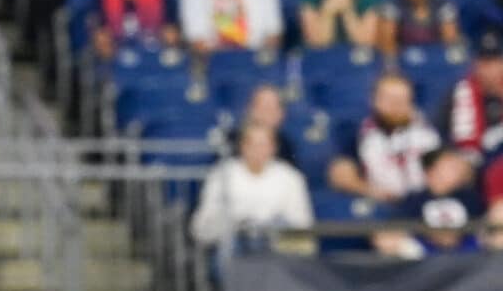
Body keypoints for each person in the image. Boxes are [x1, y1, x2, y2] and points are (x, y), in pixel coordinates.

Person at [188, 122, 312, 250]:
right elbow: (202, 226)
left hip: (275, 251)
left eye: (264, 145)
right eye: (252, 144)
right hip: (234, 249)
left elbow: (301, 224)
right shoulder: (222, 174)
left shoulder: (291, 178)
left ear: (273, 147)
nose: (258, 150)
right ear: (242, 146)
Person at [329, 74, 440, 202]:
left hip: (425, 203)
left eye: (402, 99)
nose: (396, 105)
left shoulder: (430, 130)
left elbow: (452, 167)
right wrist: (369, 190)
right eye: (390, 99)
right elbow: (339, 175)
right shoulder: (357, 132)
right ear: (374, 100)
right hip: (380, 207)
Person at [375, 146, 483, 257]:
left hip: (468, 253)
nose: (459, 170)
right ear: (431, 171)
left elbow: (481, 224)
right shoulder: (415, 200)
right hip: (425, 255)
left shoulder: (470, 197)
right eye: (450, 167)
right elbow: (400, 225)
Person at [443, 29, 503, 163]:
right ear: (475, 64)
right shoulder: (458, 92)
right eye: (485, 63)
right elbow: (441, 133)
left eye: (496, 62)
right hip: (472, 163)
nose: (490, 69)